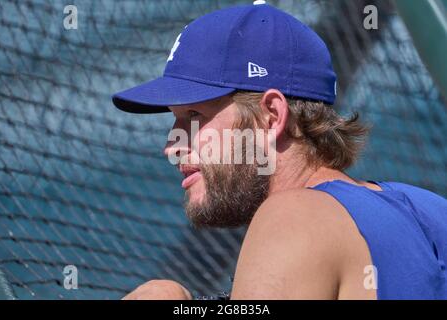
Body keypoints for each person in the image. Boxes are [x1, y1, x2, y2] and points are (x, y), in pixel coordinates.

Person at [112, 1, 447, 300]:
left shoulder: (293, 217)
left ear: (272, 116)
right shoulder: (431, 208)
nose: (172, 145)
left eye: (194, 116)